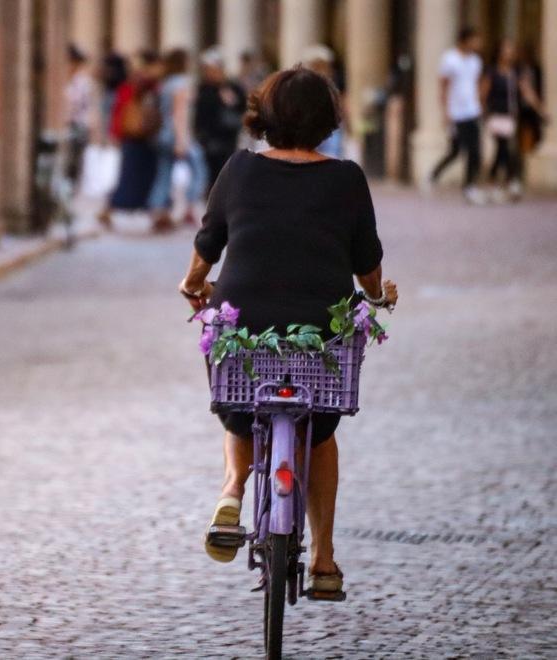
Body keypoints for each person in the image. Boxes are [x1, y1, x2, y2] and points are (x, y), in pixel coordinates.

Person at [178, 66, 398, 594]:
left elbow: (208, 243)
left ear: (265, 115)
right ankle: (324, 560)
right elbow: (367, 263)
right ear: (327, 119)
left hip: (245, 323)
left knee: (239, 406)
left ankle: (233, 488)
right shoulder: (346, 178)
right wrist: (376, 296)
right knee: (319, 433)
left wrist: (192, 285)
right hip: (322, 330)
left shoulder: (239, 169)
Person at [147, 48, 209, 232]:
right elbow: (179, 114)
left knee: (164, 174)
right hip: (177, 134)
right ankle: (190, 205)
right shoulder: (182, 83)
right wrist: (182, 140)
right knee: (199, 169)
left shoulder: (166, 83)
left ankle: (158, 210)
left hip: (162, 134)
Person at [99, 51, 161, 227]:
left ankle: (153, 213)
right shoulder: (136, 86)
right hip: (135, 137)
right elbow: (120, 111)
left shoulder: (132, 86)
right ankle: (110, 209)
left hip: (141, 137)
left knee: (139, 176)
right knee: (130, 176)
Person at [480, 38, 547, 202]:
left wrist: (540, 109)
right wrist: (482, 112)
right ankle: (509, 182)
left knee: (504, 150)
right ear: (499, 51)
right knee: (503, 147)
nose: (509, 52)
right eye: (506, 48)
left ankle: (497, 183)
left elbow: (527, 92)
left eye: (511, 49)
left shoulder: (516, 72)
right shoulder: (492, 71)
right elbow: (483, 94)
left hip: (510, 116)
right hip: (495, 115)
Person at [428, 27, 486, 204]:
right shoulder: (450, 59)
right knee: (456, 151)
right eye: (474, 39)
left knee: (475, 151)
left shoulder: (476, 61)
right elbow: (443, 86)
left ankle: (469, 186)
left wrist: (480, 105)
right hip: (456, 113)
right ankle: (433, 175)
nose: (477, 43)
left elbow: (476, 84)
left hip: (472, 111)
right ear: (465, 40)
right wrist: (445, 112)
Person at [194, 47, 246, 192]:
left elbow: (242, 107)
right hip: (208, 138)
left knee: (225, 171)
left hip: (227, 138)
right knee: (210, 174)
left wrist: (231, 101)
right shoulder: (203, 88)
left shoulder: (232, 87)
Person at [64, 44, 97, 187]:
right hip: (67, 125)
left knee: (75, 159)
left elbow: (87, 105)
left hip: (79, 125)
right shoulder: (65, 81)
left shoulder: (84, 82)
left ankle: (72, 186)